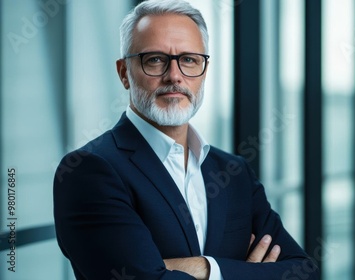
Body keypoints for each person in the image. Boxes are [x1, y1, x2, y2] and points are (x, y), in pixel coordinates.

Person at [53, 0, 319, 279]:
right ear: (124, 74)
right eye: (155, 59)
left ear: (204, 71)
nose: (174, 76)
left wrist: (207, 267)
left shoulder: (234, 171)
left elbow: (304, 271)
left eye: (189, 60)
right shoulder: (88, 170)